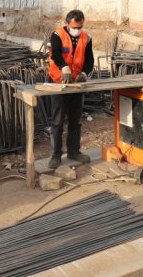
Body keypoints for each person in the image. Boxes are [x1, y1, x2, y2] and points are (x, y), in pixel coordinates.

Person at [47, 9, 95, 169]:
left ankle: (74, 151)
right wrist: (64, 68)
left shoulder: (86, 38)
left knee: (75, 121)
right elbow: (56, 54)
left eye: (80, 26)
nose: (77, 29)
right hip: (58, 82)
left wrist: (84, 72)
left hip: (75, 84)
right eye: (74, 27)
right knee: (57, 121)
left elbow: (90, 60)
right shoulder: (57, 35)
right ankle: (56, 155)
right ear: (67, 24)